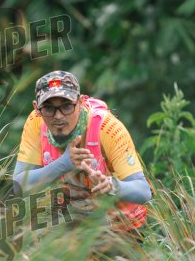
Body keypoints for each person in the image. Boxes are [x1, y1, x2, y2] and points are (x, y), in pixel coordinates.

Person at [13, 71, 151, 245]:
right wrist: (62, 164)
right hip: (73, 223)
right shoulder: (35, 122)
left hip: (121, 227)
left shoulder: (107, 128)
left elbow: (144, 192)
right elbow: (18, 185)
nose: (58, 116)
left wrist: (111, 185)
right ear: (37, 108)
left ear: (79, 102)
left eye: (66, 106)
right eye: (48, 108)